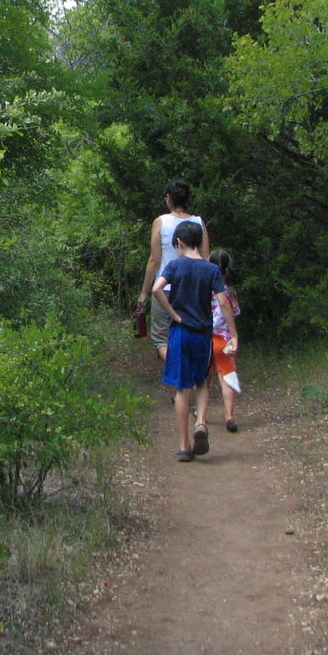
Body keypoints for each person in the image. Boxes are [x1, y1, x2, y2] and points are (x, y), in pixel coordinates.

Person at [152, 221, 235, 462]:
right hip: (203, 335)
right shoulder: (210, 270)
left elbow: (158, 289)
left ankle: (184, 444)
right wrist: (234, 334)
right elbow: (223, 302)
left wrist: (174, 314)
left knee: (181, 388)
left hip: (180, 333)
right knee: (202, 383)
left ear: (179, 242)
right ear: (199, 242)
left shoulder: (175, 265)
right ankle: (200, 421)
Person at [136, 180, 210, 364]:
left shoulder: (160, 222)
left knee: (162, 339)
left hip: (165, 288)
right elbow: (206, 257)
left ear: (168, 198)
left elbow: (154, 260)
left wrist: (144, 292)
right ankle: (186, 379)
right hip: (194, 290)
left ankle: (179, 377)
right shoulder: (198, 222)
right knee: (190, 333)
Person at [208, 249, 242, 433]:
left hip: (205, 338)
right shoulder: (228, 290)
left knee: (204, 378)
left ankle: (201, 416)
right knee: (227, 377)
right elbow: (235, 311)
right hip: (225, 340)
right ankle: (229, 416)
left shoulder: (203, 287)